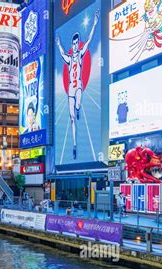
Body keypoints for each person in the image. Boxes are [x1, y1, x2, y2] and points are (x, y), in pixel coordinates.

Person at [56, 9, 99, 160]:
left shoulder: (80, 54)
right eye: (73, 44)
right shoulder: (69, 58)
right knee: (72, 117)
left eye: (76, 43)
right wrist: (59, 44)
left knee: (78, 105)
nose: (75, 45)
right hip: (70, 89)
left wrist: (94, 24)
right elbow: (62, 54)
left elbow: (89, 40)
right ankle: (74, 145)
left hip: (78, 85)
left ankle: (79, 108)